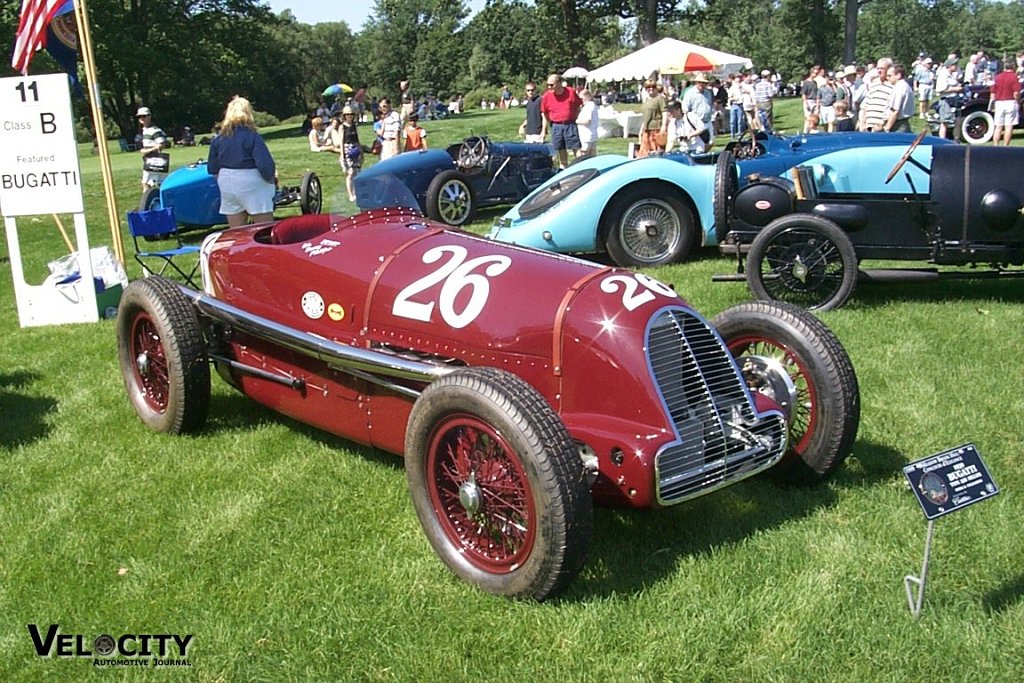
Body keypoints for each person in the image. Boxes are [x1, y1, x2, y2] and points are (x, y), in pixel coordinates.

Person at [206, 96, 276, 228]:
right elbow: (265, 164)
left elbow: (213, 168)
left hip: (226, 181)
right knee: (265, 228)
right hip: (250, 179)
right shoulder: (252, 135)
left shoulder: (218, 139)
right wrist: (271, 178)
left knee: (237, 232)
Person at [539, 73, 582, 169]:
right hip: (556, 126)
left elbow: (578, 106)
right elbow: (544, 114)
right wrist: (544, 130)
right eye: (548, 85)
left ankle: (582, 168)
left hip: (570, 124)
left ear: (559, 83)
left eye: (551, 85)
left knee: (576, 149)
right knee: (561, 150)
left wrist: (574, 117)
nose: (549, 87)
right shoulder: (546, 96)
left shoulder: (570, 92)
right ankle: (564, 170)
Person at [331, 107, 362, 201]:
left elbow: (357, 139)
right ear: (344, 116)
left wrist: (361, 150)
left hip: (355, 148)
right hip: (347, 148)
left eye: (351, 114)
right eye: (348, 114)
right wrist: (342, 154)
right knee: (350, 172)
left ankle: (357, 192)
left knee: (357, 172)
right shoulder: (342, 127)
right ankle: (350, 194)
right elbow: (341, 141)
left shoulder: (354, 125)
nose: (350, 116)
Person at [137, 106, 169, 191]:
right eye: (139, 117)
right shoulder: (144, 131)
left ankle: (148, 202)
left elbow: (162, 144)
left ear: (149, 116)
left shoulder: (154, 130)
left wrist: (149, 150)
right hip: (148, 160)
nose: (141, 119)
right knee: (148, 183)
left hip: (156, 159)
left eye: (144, 116)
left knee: (150, 183)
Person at [990, 58, 1021, 145]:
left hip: (999, 102)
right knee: (1008, 126)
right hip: (1010, 102)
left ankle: (995, 145)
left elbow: (992, 92)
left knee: (998, 126)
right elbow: (1016, 93)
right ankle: (1005, 145)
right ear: (1013, 66)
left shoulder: (998, 77)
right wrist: (1018, 102)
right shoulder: (1014, 77)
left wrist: (992, 104)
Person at [681, 73, 714, 145]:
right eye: (700, 82)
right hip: (696, 124)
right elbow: (685, 110)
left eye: (704, 83)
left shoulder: (708, 93)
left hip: (707, 121)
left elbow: (710, 105)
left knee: (710, 143)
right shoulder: (690, 94)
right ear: (696, 82)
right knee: (697, 145)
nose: (702, 84)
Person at [935, 59, 963, 138]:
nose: (956, 66)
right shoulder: (943, 75)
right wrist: (955, 89)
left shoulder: (953, 75)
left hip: (955, 100)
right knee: (945, 122)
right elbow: (940, 89)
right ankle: (942, 139)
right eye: (955, 65)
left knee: (957, 121)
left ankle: (956, 140)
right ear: (950, 66)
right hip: (946, 100)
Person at [883, 64, 915, 132]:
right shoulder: (906, 86)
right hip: (901, 123)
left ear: (898, 75)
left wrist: (887, 127)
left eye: (890, 76)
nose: (887, 78)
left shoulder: (899, 88)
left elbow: (895, 110)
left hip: (897, 125)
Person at [638, 79, 665, 157]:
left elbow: (665, 112)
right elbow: (646, 116)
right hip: (647, 129)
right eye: (648, 87)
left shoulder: (660, 99)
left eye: (653, 87)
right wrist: (641, 129)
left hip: (656, 128)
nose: (651, 89)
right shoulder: (646, 100)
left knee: (656, 151)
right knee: (645, 151)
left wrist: (663, 126)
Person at [576, 88, 599, 158]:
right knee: (592, 156)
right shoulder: (591, 105)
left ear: (587, 96)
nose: (580, 100)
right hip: (591, 135)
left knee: (584, 156)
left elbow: (587, 121)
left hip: (586, 135)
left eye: (581, 98)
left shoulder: (589, 106)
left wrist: (575, 121)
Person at [800, 66, 821, 133]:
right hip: (808, 100)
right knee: (808, 117)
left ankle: (813, 129)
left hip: (814, 100)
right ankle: (805, 131)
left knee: (814, 117)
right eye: (815, 73)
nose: (815, 75)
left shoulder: (815, 82)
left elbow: (817, 93)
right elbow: (803, 94)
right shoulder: (806, 82)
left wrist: (817, 104)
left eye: (817, 73)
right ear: (811, 73)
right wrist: (806, 103)